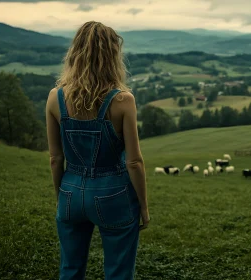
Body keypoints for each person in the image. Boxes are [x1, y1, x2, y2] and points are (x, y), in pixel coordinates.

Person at [45, 21, 149, 280]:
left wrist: (62, 196)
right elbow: (134, 162)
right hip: (114, 193)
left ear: (75, 53)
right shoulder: (123, 100)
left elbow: (56, 159)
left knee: (70, 269)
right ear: (113, 55)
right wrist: (144, 206)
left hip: (70, 192)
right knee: (118, 272)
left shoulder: (54, 97)